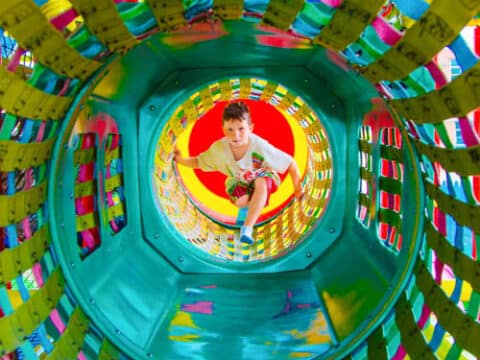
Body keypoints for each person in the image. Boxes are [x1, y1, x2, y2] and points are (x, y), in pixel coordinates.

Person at [174, 101, 304, 244]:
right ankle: (255, 202)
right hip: (239, 181)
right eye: (230, 130)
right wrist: (180, 160)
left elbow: (290, 162)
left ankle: (247, 228)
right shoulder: (219, 149)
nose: (236, 135)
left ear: (251, 128)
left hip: (263, 176)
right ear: (223, 130)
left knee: (261, 182)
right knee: (241, 202)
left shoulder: (259, 146)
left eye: (241, 129)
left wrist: (297, 188)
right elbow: (198, 162)